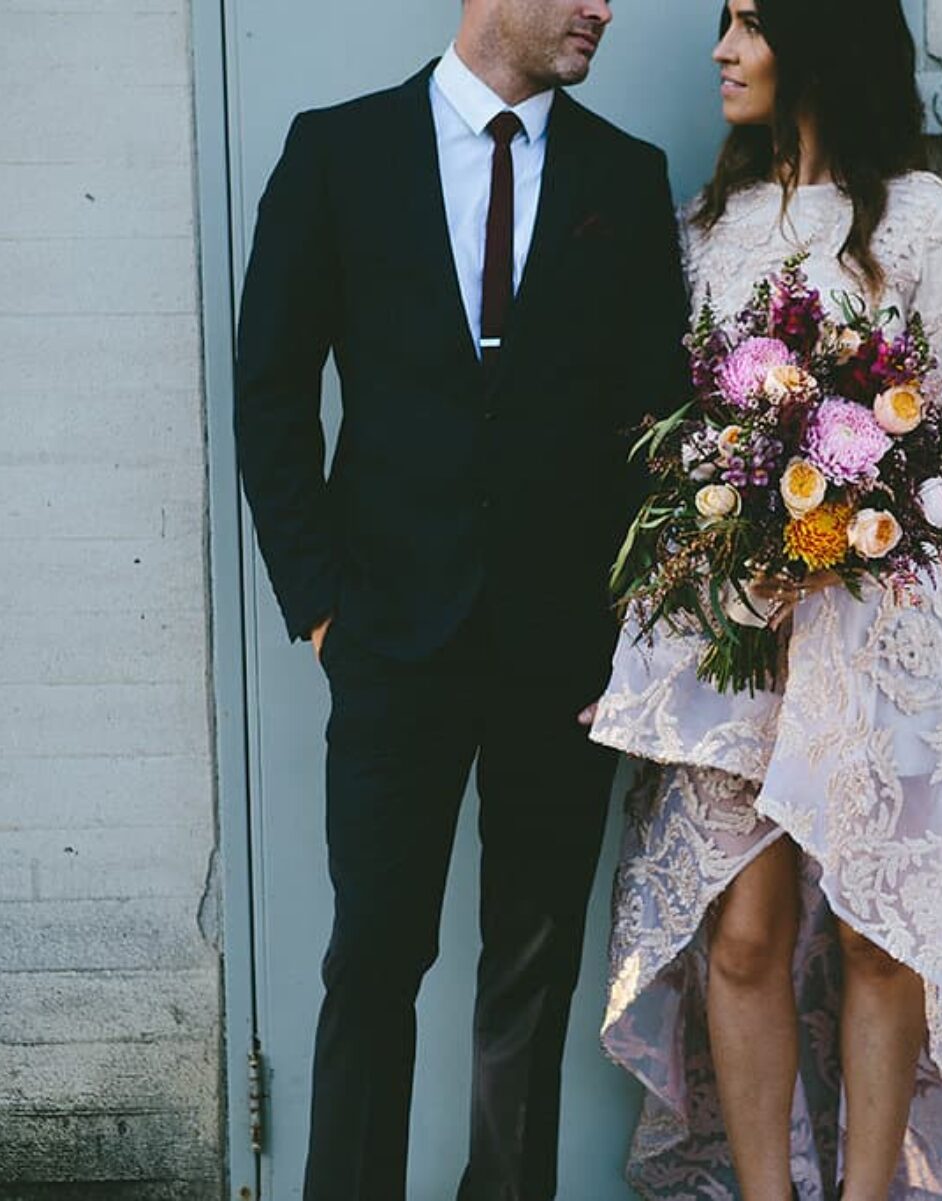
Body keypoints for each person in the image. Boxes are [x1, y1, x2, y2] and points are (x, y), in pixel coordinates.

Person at [583, 0, 942, 1195]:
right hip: (728, 628)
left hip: (876, 626)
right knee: (740, 937)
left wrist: (839, 519)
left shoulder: (929, 221)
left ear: (819, 37)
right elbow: (668, 423)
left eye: (749, 23)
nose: (722, 50)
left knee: (875, 932)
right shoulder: (708, 228)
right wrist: (742, 508)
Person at [231, 0, 688, 1195]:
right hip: (387, 636)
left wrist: (626, 630)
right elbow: (272, 394)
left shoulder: (625, 178)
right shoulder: (337, 152)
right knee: (372, 961)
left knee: (529, 980)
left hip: (561, 653)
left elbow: (656, 420)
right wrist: (323, 606)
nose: (605, 9)